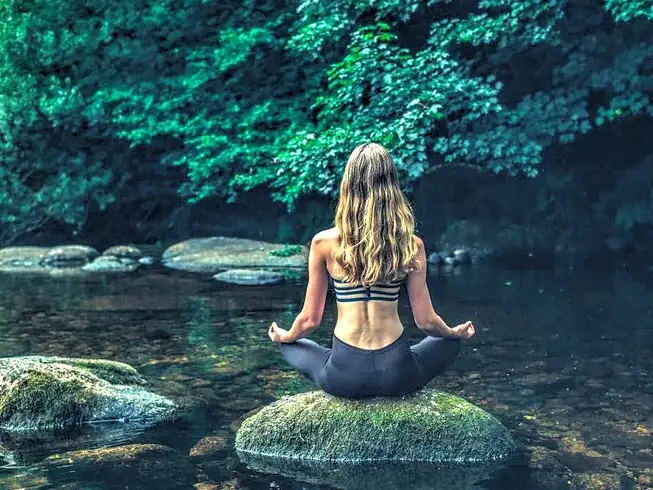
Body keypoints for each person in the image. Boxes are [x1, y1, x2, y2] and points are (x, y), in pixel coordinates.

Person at [267, 142, 476, 399]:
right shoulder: (411, 244)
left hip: (344, 377)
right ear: (391, 188)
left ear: (348, 185)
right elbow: (426, 322)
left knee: (292, 345)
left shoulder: (323, 243)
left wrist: (286, 336)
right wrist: (454, 332)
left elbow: (310, 320)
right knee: (449, 342)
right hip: (397, 375)